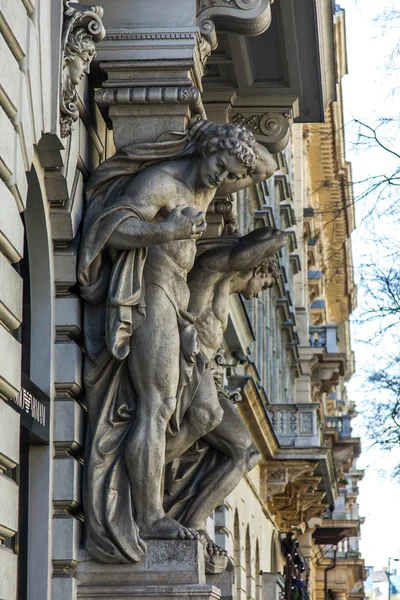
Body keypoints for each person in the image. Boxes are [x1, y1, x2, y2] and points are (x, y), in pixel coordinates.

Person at [78, 119, 277, 563]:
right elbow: (109, 233)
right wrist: (165, 232)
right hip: (152, 292)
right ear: (206, 150)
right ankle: (148, 514)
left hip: (179, 307)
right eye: (221, 168)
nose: (223, 181)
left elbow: (263, 168)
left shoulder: (207, 187)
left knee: (193, 412)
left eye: (229, 175)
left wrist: (232, 140)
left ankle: (146, 491)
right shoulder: (161, 183)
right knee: (158, 405)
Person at [163, 227, 288, 560]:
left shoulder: (227, 290)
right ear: (259, 267)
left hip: (204, 372)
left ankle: (195, 520)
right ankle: (144, 470)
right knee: (208, 416)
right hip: (183, 360)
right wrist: (282, 238)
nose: (261, 294)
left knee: (247, 452)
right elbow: (240, 255)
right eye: (265, 284)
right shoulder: (216, 268)